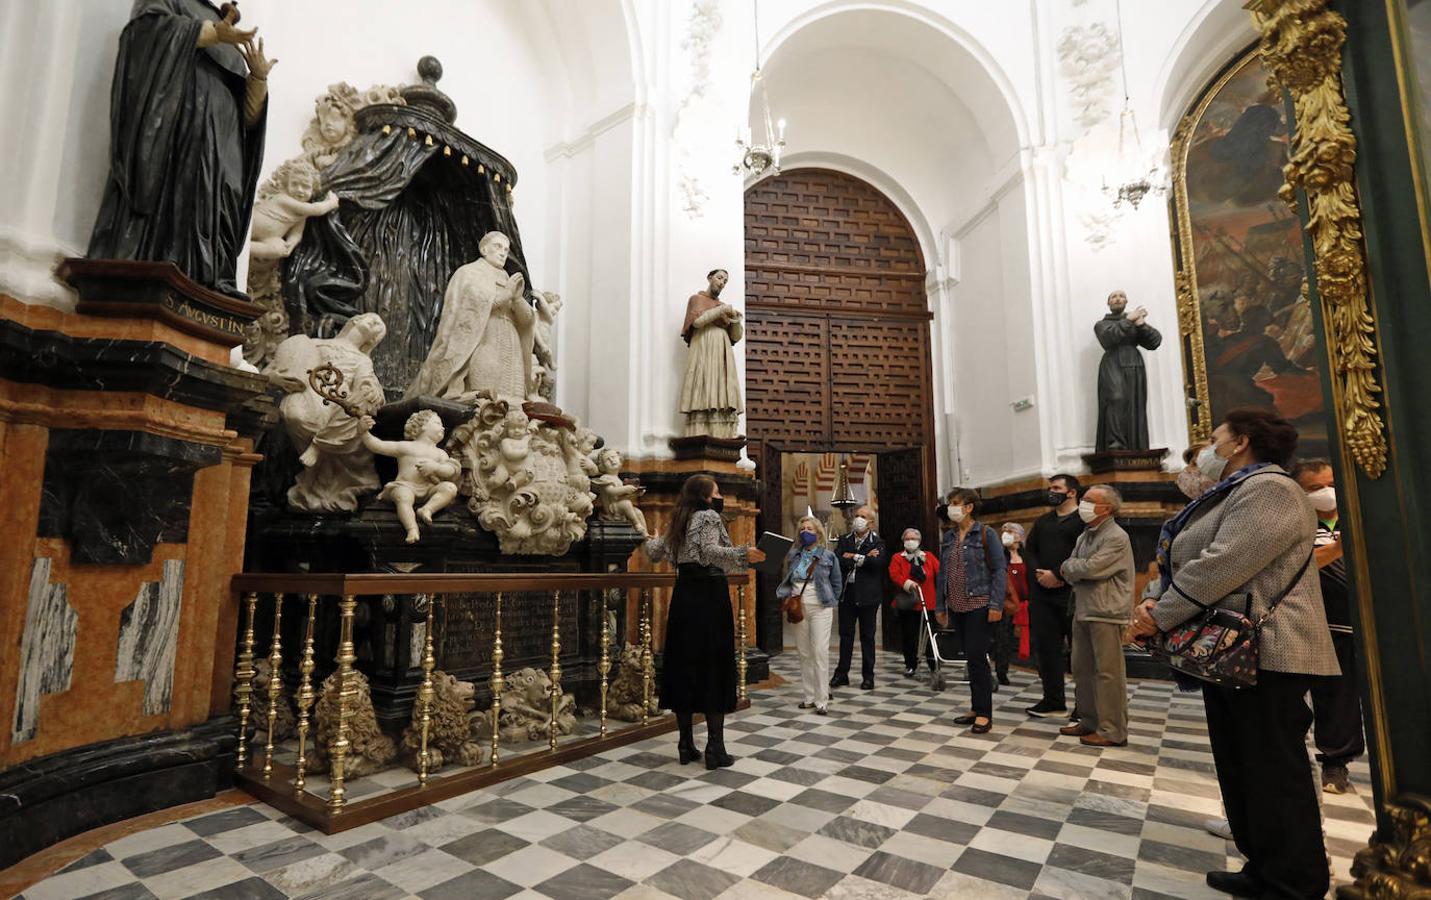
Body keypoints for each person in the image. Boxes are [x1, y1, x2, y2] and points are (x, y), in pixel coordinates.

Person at [1132, 408, 1338, 899]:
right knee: (1241, 764)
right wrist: (1155, 598)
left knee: (1273, 768)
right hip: (1232, 651)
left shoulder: (1270, 489)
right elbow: (1189, 557)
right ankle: (1264, 866)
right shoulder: (1232, 492)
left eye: (1214, 437)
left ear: (1240, 441)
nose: (1209, 445)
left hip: (1270, 648)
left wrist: (1160, 614)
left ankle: (1296, 880)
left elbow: (1224, 563)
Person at [88, 1, 275, 296]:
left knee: (225, 200)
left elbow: (248, 122)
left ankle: (211, 278)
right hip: (181, 130)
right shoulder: (172, 2)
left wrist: (258, 79)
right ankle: (168, 265)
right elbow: (146, 34)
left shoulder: (229, 28)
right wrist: (212, 34)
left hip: (226, 147)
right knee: (179, 195)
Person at [642, 475, 765, 769]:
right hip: (709, 596)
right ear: (706, 497)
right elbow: (710, 553)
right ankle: (715, 749)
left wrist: (649, 537)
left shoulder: (679, 519)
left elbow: (653, 552)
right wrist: (743, 554)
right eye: (718, 491)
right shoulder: (708, 516)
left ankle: (685, 744)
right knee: (713, 665)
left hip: (684, 596)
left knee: (685, 665)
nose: (720, 496)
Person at [1291, 458, 1363, 794]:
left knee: (1340, 697)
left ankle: (1336, 763)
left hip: (1347, 625)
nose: (1326, 493)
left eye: (1330, 484)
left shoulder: (1357, 518)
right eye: (1315, 488)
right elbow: (1296, 564)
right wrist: (1336, 549)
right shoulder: (1296, 525)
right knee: (1294, 701)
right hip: (1302, 624)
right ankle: (1289, 767)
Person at [408, 231, 537, 403]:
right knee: (486, 396)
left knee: (514, 397)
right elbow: (469, 310)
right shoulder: (469, 273)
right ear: (484, 249)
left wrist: (518, 298)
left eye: (506, 250)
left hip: (511, 343)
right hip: (483, 341)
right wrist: (506, 294)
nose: (503, 252)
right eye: (498, 246)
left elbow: (526, 321)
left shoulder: (509, 279)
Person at [1058, 485, 1135, 747]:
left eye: (1090, 501)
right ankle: (1089, 721)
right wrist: (1073, 568)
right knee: (1082, 670)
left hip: (1106, 611)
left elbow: (1091, 568)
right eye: (1084, 499)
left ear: (1107, 508)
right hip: (1083, 608)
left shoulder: (1116, 536)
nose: (1083, 505)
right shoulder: (1085, 535)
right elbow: (1069, 566)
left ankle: (1113, 730)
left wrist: (1073, 568)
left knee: (1108, 673)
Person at [937, 489, 1007, 734]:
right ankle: (976, 708)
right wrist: (940, 605)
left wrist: (996, 605)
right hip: (956, 605)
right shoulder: (949, 536)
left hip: (979, 604)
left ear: (969, 507)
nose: (950, 508)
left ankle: (985, 713)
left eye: (955, 503)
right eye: (949, 504)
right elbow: (942, 574)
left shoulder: (986, 534)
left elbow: (999, 571)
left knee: (978, 658)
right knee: (969, 657)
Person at [1023, 474, 1085, 717]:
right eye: (1050, 488)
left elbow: (1083, 555)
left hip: (1072, 594)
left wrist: (1058, 575)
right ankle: (1053, 699)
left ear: (1071, 492)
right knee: (1047, 649)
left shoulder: (1082, 521)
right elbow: (1030, 551)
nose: (1051, 491)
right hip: (1042, 595)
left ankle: (1084, 705)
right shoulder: (1043, 521)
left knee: (1080, 653)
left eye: (1057, 488)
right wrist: (1040, 575)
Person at [776, 516, 844, 715]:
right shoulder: (794, 556)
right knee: (804, 653)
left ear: (818, 533)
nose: (806, 532)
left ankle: (822, 699)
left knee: (820, 652)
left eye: (810, 529)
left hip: (821, 608)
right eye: (803, 529)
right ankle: (809, 697)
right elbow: (789, 579)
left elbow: (837, 583)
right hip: (798, 607)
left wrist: (832, 601)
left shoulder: (828, 556)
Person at [678, 269, 744, 438]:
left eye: (725, 281)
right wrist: (721, 311)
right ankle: (701, 429)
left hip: (722, 351)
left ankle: (721, 431)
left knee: (721, 386)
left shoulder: (722, 306)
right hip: (704, 348)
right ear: (710, 278)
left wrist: (736, 319)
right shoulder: (697, 299)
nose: (722, 282)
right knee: (704, 383)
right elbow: (698, 322)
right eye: (719, 278)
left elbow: (735, 336)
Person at [1094, 290, 1163, 451]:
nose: (1118, 299)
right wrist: (1129, 320)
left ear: (1126, 301)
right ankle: (1115, 443)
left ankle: (1136, 444)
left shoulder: (1134, 322)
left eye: (1121, 296)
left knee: (1135, 403)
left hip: (1134, 363)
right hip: (1112, 363)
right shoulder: (1102, 324)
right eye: (1113, 297)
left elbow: (1154, 342)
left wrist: (1141, 324)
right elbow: (1109, 338)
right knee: (1116, 398)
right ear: (1108, 303)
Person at [831, 505, 885, 690]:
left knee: (867, 637)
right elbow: (838, 559)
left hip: (869, 596)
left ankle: (868, 676)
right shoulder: (845, 539)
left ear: (871, 522)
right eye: (856, 516)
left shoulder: (878, 543)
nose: (858, 519)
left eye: (862, 516)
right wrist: (862, 556)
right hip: (848, 593)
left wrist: (853, 557)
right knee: (846, 635)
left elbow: (876, 563)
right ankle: (841, 673)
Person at [888, 528, 939, 677]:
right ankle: (911, 664)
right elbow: (894, 575)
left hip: (927, 602)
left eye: (913, 539)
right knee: (909, 635)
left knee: (929, 635)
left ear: (919, 541)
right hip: (909, 602)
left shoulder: (928, 556)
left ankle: (933, 663)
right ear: (904, 541)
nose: (911, 541)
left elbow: (939, 571)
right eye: (907, 538)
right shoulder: (898, 557)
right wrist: (908, 583)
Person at [994, 523, 1029, 686]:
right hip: (1006, 603)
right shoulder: (999, 556)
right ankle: (1002, 671)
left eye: (1010, 531)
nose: (1006, 534)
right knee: (1003, 638)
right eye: (1004, 531)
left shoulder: (1027, 556)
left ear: (1020, 536)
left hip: (1026, 603)